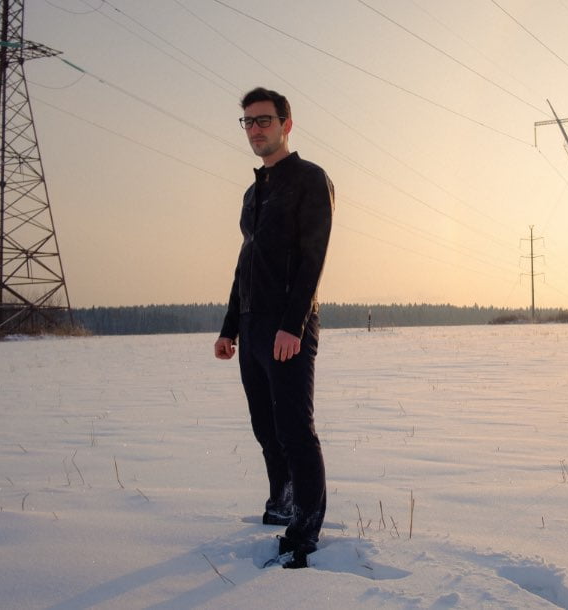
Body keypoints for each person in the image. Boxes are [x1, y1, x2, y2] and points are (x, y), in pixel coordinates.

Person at [214, 87, 334, 569]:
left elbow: (313, 258)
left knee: (295, 430)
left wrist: (293, 325)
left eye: (264, 120)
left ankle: (305, 529)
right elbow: (246, 262)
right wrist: (230, 327)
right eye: (248, 121)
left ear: (287, 124)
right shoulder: (253, 192)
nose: (255, 129)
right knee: (265, 427)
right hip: (252, 326)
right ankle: (281, 501)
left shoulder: (309, 179)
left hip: (289, 327)